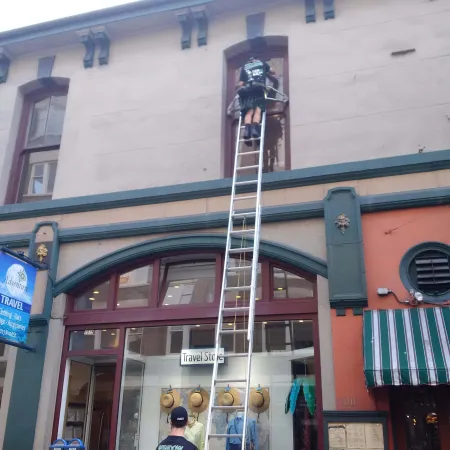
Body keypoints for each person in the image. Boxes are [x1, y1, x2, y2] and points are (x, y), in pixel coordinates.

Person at [237, 56, 276, 145]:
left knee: (249, 111)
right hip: (259, 88)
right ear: (256, 59)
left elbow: (241, 83)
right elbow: (272, 71)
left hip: (248, 90)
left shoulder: (245, 66)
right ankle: (255, 129)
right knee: (258, 109)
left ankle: (247, 131)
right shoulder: (262, 63)